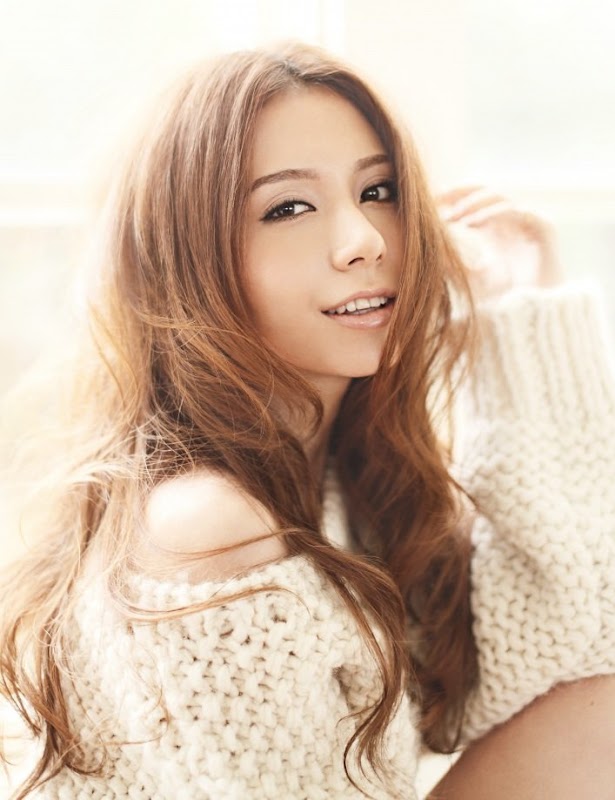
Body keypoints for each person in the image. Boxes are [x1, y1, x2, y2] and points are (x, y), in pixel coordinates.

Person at [1, 42, 614, 799]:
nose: (365, 241)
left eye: (378, 191)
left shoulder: (344, 488)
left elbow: (577, 639)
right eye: (288, 208)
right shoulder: (208, 527)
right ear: (189, 259)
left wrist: (525, 325)